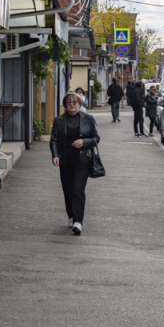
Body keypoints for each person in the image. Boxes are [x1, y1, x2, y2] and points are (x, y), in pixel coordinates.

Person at [50, 92, 100, 235]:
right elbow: (54, 140)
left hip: (82, 160)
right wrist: (55, 155)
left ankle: (78, 221)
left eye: (75, 102)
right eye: (69, 103)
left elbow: (96, 138)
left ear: (80, 104)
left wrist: (84, 142)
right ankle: (71, 215)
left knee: (78, 190)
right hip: (65, 160)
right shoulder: (59, 120)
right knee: (68, 190)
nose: (72, 105)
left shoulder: (88, 119)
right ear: (65, 106)